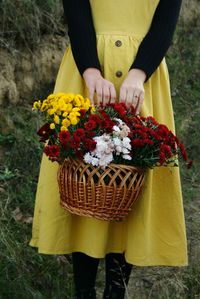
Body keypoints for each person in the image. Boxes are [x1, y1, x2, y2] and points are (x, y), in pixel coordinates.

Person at [30, 0, 188, 298]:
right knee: (83, 175)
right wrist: (90, 70)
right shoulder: (88, 71)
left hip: (142, 79)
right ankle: (83, 290)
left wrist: (139, 73)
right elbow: (76, 12)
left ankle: (117, 290)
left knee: (130, 174)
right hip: (88, 73)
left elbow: (165, 22)